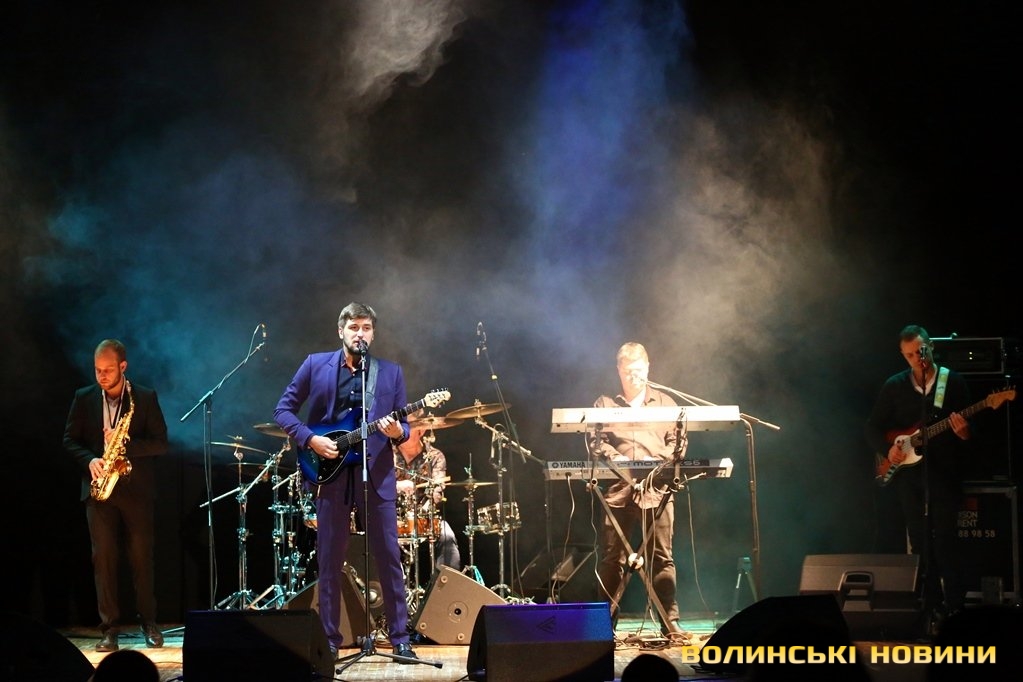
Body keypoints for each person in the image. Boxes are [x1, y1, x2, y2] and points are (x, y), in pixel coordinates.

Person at [274, 302, 417, 662]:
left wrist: (398, 432)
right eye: (354, 327)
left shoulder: (390, 372)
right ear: (341, 331)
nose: (360, 333)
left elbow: (404, 427)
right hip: (330, 474)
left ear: (373, 333)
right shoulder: (314, 364)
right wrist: (310, 439)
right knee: (329, 560)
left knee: (389, 557)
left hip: (376, 475)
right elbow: (283, 410)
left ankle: (400, 638)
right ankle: (329, 641)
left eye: (366, 328)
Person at [63, 339, 168, 652]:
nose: (102, 376)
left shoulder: (144, 398)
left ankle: (149, 623)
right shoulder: (83, 397)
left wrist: (125, 446)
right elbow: (70, 440)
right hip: (99, 489)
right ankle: (109, 630)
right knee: (104, 560)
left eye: (108, 370)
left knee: (141, 559)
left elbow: (161, 443)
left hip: (136, 490)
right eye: (97, 370)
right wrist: (90, 459)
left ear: (123, 366)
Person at [865, 325, 971, 629]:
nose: (917, 359)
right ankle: (931, 608)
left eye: (920, 352)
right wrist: (889, 449)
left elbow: (974, 435)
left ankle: (956, 609)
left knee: (947, 542)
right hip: (910, 480)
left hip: (945, 476)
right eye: (909, 355)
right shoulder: (895, 386)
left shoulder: (953, 382)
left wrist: (965, 433)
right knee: (921, 543)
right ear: (903, 355)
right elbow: (872, 427)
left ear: (931, 347)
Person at [587, 342, 686, 635]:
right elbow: (595, 441)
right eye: (628, 371)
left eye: (639, 371)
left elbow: (678, 442)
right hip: (619, 489)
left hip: (658, 488)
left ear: (648, 368)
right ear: (618, 370)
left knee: (662, 557)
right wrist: (617, 460)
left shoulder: (666, 403)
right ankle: (604, 624)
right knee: (612, 559)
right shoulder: (604, 404)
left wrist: (656, 463)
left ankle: (670, 622)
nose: (634, 376)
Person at [394, 417, 461, 572]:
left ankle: (444, 585)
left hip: (424, 517)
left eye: (407, 428)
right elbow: (375, 485)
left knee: (447, 538)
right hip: (391, 516)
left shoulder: (435, 456)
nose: (402, 432)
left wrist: (422, 513)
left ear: (421, 430)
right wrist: (397, 486)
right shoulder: (387, 453)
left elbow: (437, 490)